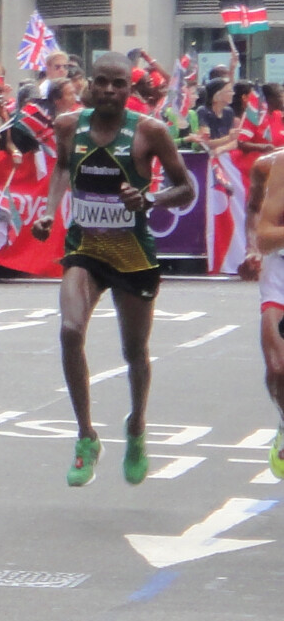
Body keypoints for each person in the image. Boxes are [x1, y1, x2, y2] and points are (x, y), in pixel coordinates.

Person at [32, 52, 193, 486]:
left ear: (129, 89)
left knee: (134, 352)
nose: (107, 90)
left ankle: (136, 426)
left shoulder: (150, 131)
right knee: (70, 331)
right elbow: (62, 166)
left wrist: (150, 199)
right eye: (101, 81)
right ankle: (86, 436)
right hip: (84, 248)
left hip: (132, 255)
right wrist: (50, 211)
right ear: (89, 84)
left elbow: (186, 187)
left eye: (117, 83)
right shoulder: (68, 125)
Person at [250, 149, 284, 474]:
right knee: (278, 368)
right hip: (281, 272)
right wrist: (251, 248)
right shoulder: (278, 165)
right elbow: (264, 237)